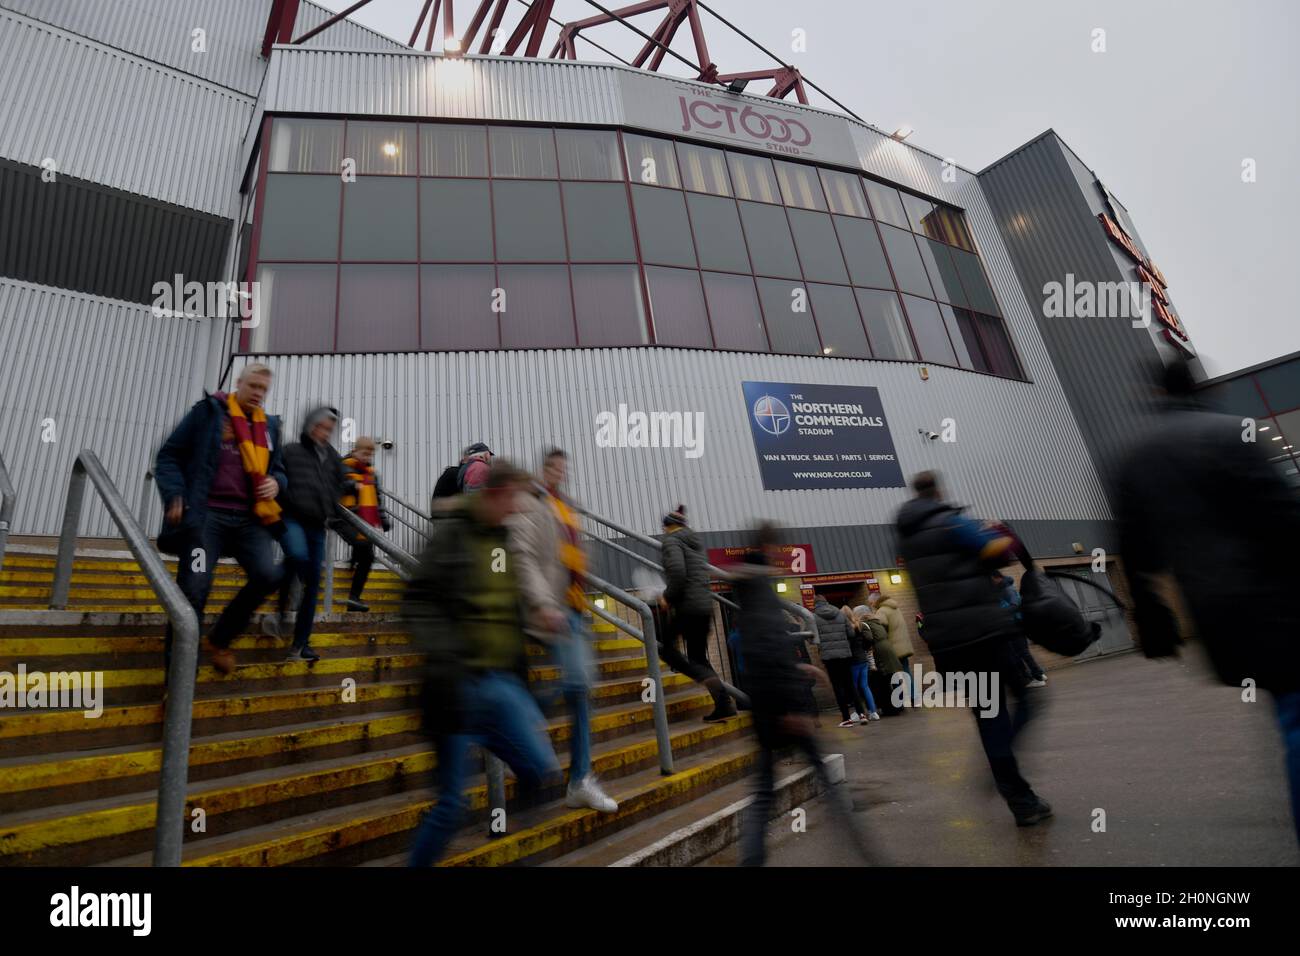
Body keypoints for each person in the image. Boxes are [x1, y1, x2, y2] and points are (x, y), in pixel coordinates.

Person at [1114, 356, 1300, 841]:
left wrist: (1151, 614)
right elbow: (1285, 517)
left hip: (1216, 613)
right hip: (1279, 599)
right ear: (1201, 389)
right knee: (1297, 714)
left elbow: (1135, 550)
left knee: (1287, 712)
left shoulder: (1136, 457)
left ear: (1154, 395)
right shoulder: (1233, 433)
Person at [404, 461, 563, 867]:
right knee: (451, 805)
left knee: (541, 773)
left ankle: (522, 843)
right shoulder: (453, 535)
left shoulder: (499, 543)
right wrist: (448, 653)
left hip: (496, 685)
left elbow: (505, 614)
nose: (518, 510)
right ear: (495, 493)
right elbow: (416, 599)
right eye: (513, 499)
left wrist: (524, 666)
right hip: (454, 688)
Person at [896, 470, 1052, 827]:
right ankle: (1003, 765)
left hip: (948, 644)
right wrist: (1001, 531)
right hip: (984, 634)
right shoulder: (951, 522)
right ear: (938, 491)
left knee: (988, 713)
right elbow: (998, 553)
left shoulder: (905, 538)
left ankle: (1020, 798)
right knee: (1027, 701)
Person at [733, 523, 880, 867]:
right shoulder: (760, 591)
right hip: (782, 707)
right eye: (778, 550)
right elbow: (767, 650)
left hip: (768, 705)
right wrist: (790, 707)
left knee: (765, 790)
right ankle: (863, 850)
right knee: (824, 784)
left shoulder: (751, 591)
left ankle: (752, 860)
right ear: (769, 547)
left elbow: (762, 652)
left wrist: (802, 669)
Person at [154, 363, 287, 676]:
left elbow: (279, 468)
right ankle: (178, 680)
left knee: (269, 575)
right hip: (206, 519)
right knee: (195, 588)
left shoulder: (269, 427)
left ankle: (220, 639)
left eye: (263, 389)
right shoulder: (208, 413)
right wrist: (175, 494)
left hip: (249, 520)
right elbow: (169, 456)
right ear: (238, 383)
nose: (258, 393)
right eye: (253, 386)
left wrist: (278, 482)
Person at [510, 448, 618, 813]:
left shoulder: (568, 506)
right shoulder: (531, 502)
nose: (559, 472)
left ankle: (578, 780)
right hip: (550, 609)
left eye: (563, 467)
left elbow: (575, 555)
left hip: (574, 606)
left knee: (579, 690)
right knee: (578, 683)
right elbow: (522, 555)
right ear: (543, 469)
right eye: (553, 467)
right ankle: (513, 718)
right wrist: (542, 603)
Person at [275, 405, 353, 662]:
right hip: (292, 517)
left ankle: (301, 644)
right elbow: (277, 474)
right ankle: (282, 601)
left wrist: (336, 498)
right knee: (297, 556)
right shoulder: (291, 451)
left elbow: (344, 479)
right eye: (322, 427)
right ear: (310, 425)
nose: (325, 433)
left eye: (330, 430)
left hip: (318, 523)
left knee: (313, 584)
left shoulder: (331, 457)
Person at [659, 505, 741, 722]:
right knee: (697, 657)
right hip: (704, 606)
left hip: (687, 607)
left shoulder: (671, 541)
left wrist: (667, 596)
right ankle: (724, 704)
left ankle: (704, 678)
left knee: (666, 649)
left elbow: (677, 571)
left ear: (667, 526)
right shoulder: (694, 542)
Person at [340, 436, 390, 613]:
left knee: (367, 556)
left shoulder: (372, 474)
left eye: (370, 454)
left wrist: (383, 519)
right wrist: (353, 484)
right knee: (362, 545)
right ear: (355, 451)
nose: (367, 457)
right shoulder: (343, 465)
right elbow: (335, 486)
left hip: (363, 519)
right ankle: (353, 563)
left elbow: (377, 498)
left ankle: (354, 598)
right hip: (343, 517)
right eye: (364, 453)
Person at [812, 593, 867, 727]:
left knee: (838, 687)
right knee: (850, 685)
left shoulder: (813, 617)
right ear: (826, 602)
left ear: (815, 604)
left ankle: (846, 718)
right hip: (845, 655)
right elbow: (851, 633)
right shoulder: (840, 614)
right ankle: (861, 714)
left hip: (829, 658)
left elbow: (812, 638)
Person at [995, 573, 1046, 687]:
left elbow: (1015, 605)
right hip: (1012, 625)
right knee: (1019, 653)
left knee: (1022, 653)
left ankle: (1037, 676)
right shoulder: (1003, 589)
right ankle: (1035, 675)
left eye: (992, 579)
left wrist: (999, 614)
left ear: (998, 577)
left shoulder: (1007, 589)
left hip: (1014, 625)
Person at [868, 590, 918, 704]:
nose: (870, 605)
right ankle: (914, 697)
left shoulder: (881, 611)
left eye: (870, 603)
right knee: (906, 672)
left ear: (875, 601)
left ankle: (898, 700)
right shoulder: (894, 607)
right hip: (903, 645)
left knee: (893, 674)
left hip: (892, 648)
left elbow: (881, 628)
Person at [855, 603, 902, 714]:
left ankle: (890, 708)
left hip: (879, 652)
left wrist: (864, 648)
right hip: (888, 650)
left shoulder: (864, 624)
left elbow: (869, 638)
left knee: (883, 681)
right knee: (893, 678)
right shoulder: (876, 621)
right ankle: (899, 705)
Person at [843, 605, 880, 722]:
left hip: (853, 661)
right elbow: (867, 640)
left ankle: (860, 713)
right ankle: (874, 712)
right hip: (863, 660)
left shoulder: (845, 628)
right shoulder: (859, 625)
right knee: (865, 686)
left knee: (854, 688)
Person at [431, 442, 493, 511]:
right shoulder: (475, 469)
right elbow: (474, 497)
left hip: (441, 514)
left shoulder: (454, 472)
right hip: (453, 516)